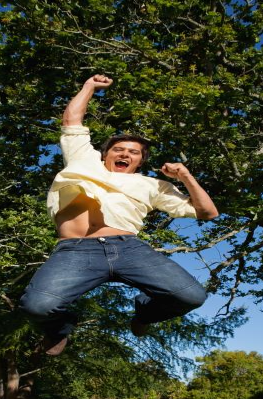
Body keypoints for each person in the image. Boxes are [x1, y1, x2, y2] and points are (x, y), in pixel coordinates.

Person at [20, 74, 219, 355]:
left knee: (192, 296)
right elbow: (71, 121)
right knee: (36, 307)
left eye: (133, 152)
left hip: (129, 249)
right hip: (76, 251)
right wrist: (89, 86)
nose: (125, 154)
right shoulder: (84, 161)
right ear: (106, 154)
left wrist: (186, 177)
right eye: (119, 149)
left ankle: (144, 313)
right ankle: (59, 328)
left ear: (140, 161)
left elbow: (207, 212)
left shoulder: (153, 185)